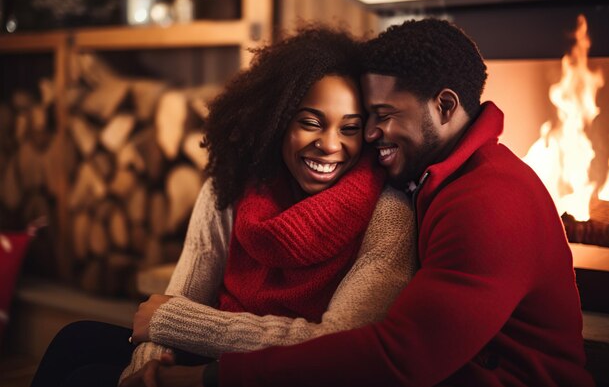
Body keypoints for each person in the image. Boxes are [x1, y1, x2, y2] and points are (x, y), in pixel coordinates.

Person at [122, 18, 596, 387]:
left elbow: (398, 358)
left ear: (446, 108)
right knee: (79, 345)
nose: (368, 136)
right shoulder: (433, 178)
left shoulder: (492, 202)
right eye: (367, 118)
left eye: (380, 117)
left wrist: (207, 377)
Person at [29, 26, 416, 387]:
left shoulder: (388, 216)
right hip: (205, 345)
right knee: (76, 341)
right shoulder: (230, 187)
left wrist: (178, 326)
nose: (331, 145)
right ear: (277, 121)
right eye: (310, 122)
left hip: (290, 374)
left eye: (349, 128)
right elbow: (174, 304)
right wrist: (143, 369)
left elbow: (335, 344)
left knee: (90, 377)